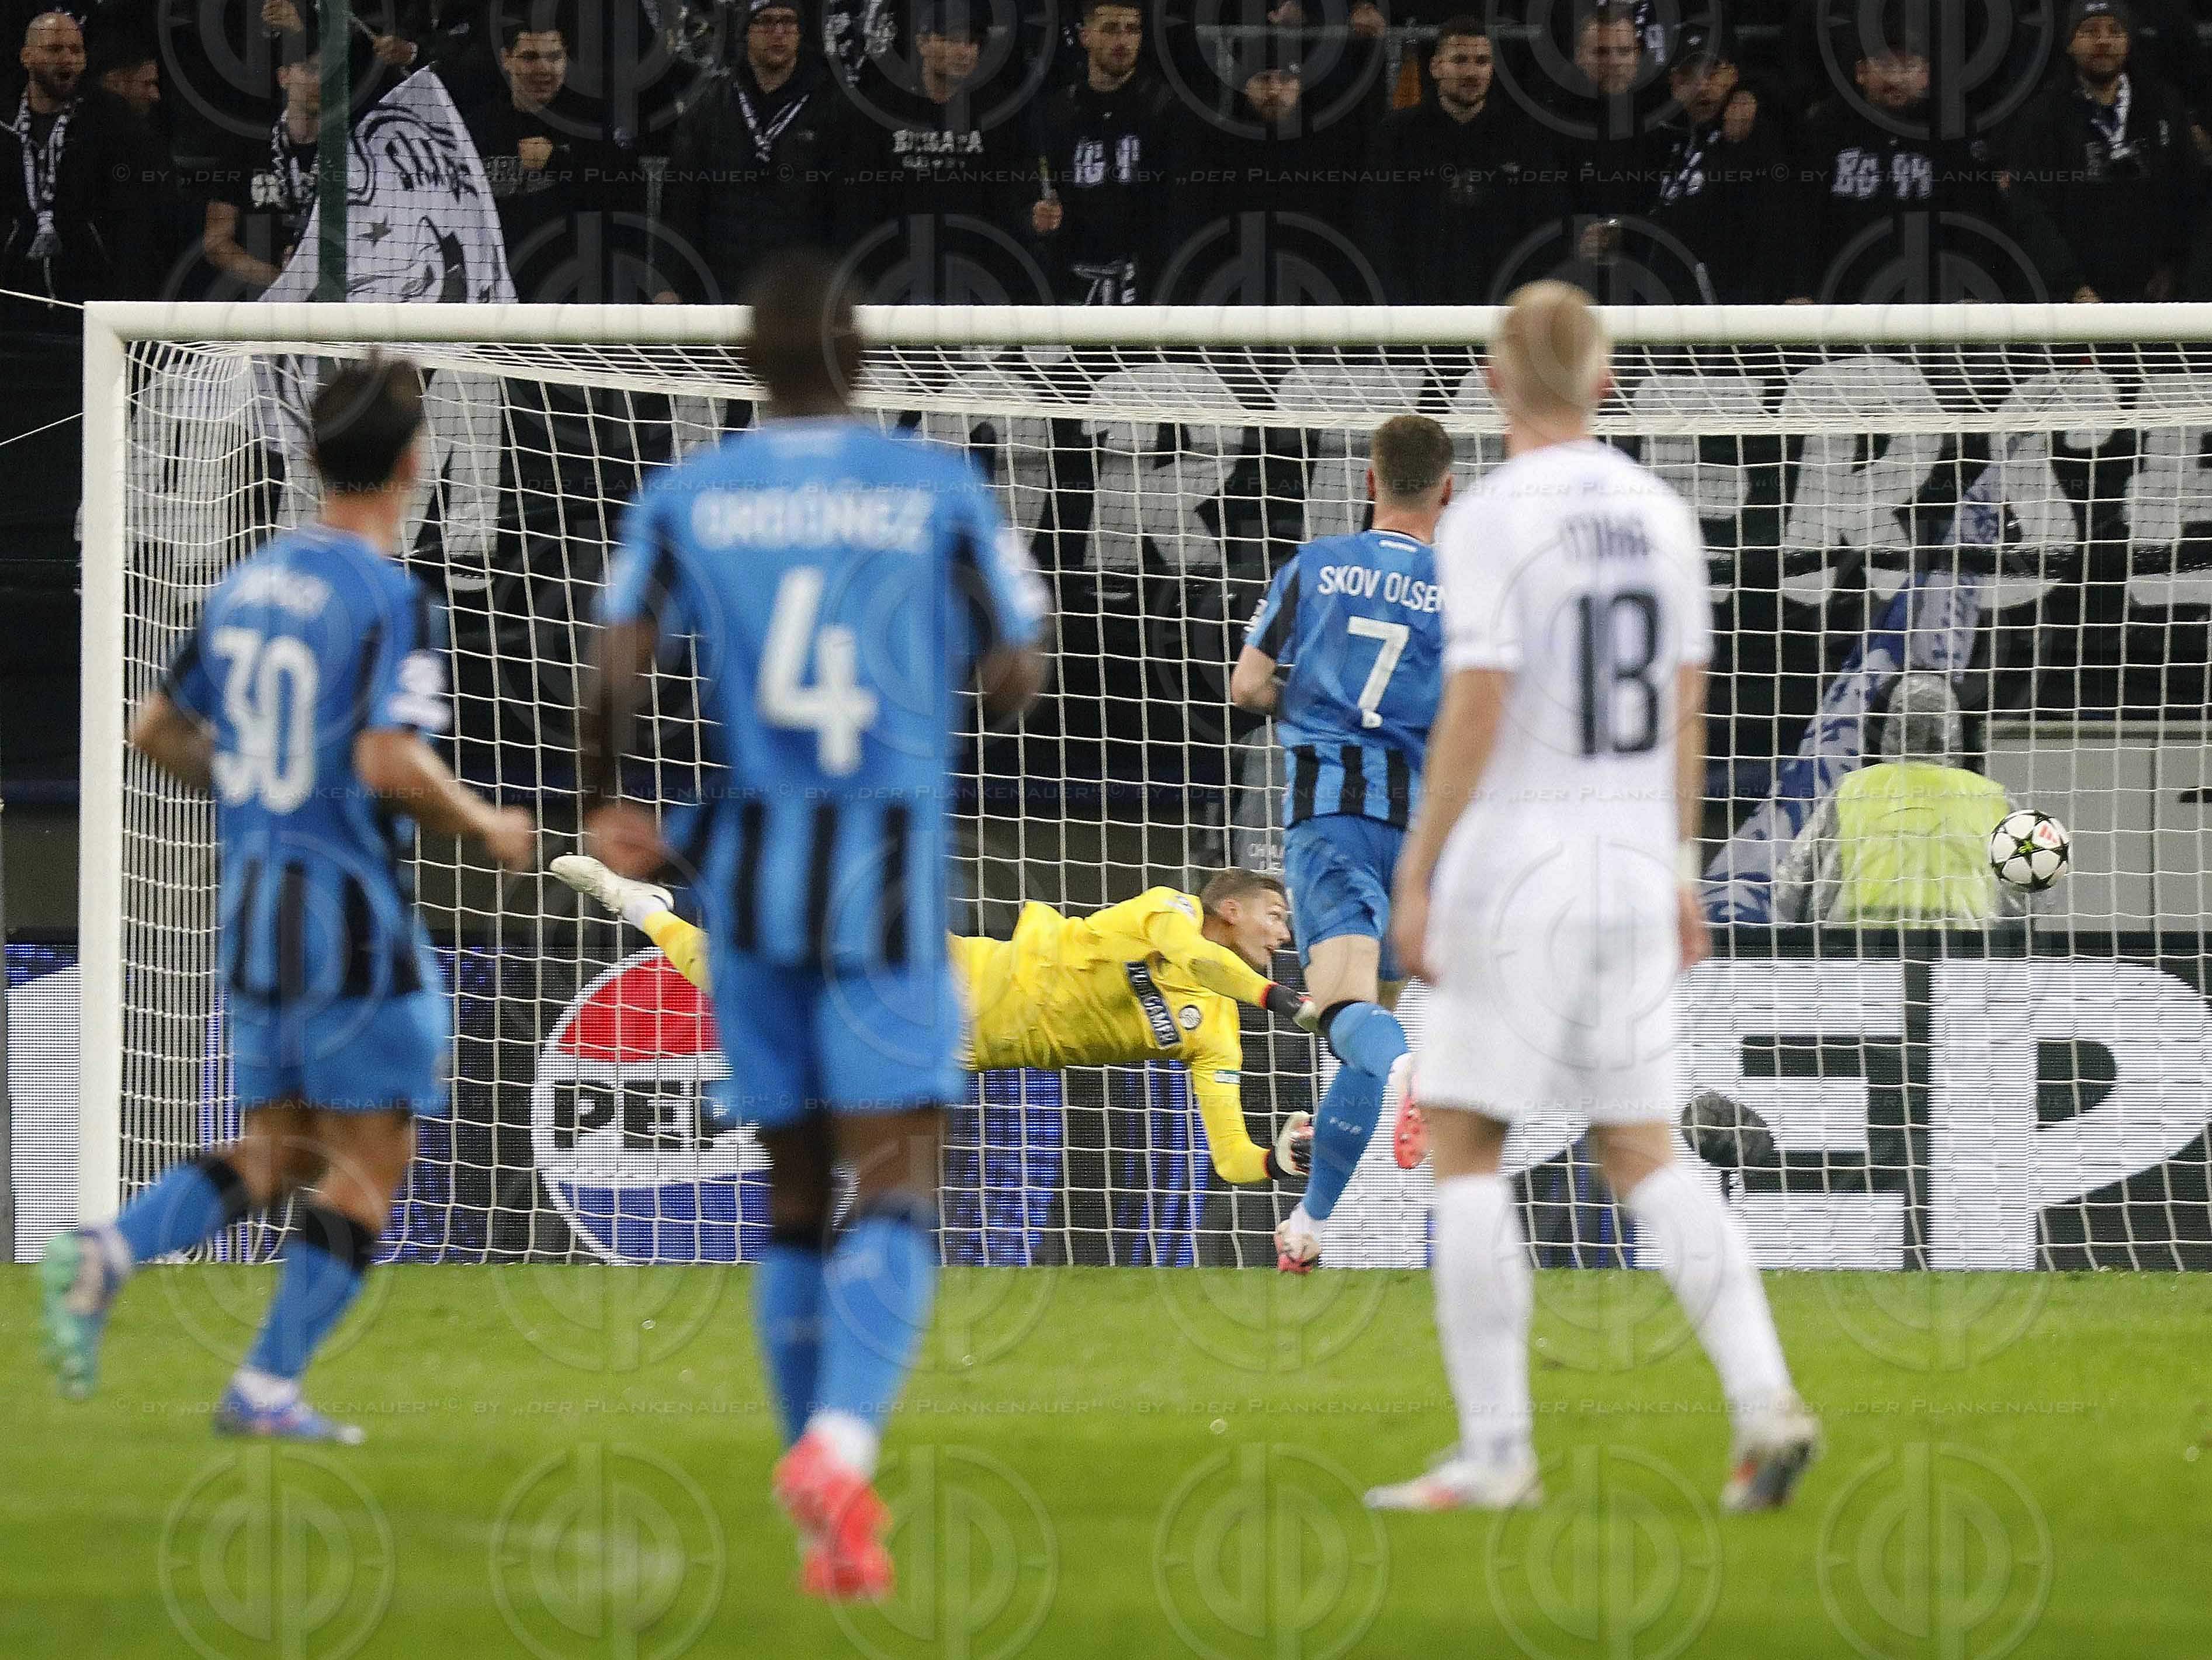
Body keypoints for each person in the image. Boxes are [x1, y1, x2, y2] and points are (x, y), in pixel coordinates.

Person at [578, 251, 1048, 1601]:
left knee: (789, 1184)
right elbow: (1018, 668)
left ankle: (815, 1498)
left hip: (755, 869)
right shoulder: (933, 487)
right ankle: (839, 1448)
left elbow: (611, 656)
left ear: (747, 365)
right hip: (885, 873)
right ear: (860, 360)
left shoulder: (691, 493)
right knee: (897, 1171)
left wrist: (605, 797)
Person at [1374, 282, 1818, 1513]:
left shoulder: (1492, 519)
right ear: (1609, 378)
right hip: (1631, 867)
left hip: (1520, 861)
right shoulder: (1661, 514)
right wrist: (1680, 871)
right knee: (1645, 1147)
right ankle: (1764, 1393)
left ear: (1494, 379)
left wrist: (1420, 868)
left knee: (1466, 1144)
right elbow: (1688, 700)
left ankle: (1498, 1452)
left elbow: (1475, 705)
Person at [38, 357, 536, 1439]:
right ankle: (266, 1386)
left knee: (280, 1149)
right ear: (414, 464)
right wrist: (491, 824)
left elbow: (153, 728)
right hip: (346, 907)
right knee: (372, 1158)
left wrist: (256, 791)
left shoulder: (248, 584)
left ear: (309, 456)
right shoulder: (386, 595)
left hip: (256, 897)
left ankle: (107, 1250)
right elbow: (389, 758)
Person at [552, 857, 1321, 1187]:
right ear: (1230, 905)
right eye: (1276, 915)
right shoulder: (1170, 911)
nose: (1283, 934)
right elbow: (1202, 961)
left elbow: (1228, 1158)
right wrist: (1280, 999)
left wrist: (1280, 1161)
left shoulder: (1216, 1031)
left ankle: (652, 912)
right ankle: (647, 904)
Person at [1229, 415, 1451, 1273]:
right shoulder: (1462, 582)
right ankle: (1310, 1222)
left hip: (1330, 824)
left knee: (1344, 1015)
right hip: (1419, 834)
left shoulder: (1313, 567)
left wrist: (1310, 699)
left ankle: (1415, 1081)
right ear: (1446, 491)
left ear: (1368, 480)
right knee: (1366, 1023)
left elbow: (1248, 684)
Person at [828, 1, 1042, 301]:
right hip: (895, 290)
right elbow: (859, 209)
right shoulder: (882, 111)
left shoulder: (997, 115)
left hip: (974, 291)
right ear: (923, 44)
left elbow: (1005, 206)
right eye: (952, 40)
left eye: (972, 42)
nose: (964, 51)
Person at [1772, 673, 2024, 927]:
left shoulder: (1852, 791)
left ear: (1884, 729)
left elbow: (1791, 888)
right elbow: (2024, 897)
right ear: (1963, 732)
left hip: (1858, 954)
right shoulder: (1994, 799)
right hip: (1964, 957)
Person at [2005, 0, 2201, 304]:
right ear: (2070, 44)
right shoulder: (2043, 117)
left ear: (2129, 41)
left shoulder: (2163, 107)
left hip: (2155, 299)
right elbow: (2031, 209)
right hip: (2075, 302)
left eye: (2115, 30)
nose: (2103, 41)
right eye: (2089, 31)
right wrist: (2073, 286)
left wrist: (2173, 269)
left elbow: (2188, 192)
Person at [1364, 18, 1563, 305]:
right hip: (1416, 312)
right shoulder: (1396, 136)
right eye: (1460, 60)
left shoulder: (1523, 138)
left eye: (1482, 61)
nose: (1472, 72)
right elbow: (1376, 224)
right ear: (1436, 68)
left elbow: (1544, 225)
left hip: (1502, 311)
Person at [657, 0, 834, 303]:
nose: (778, 33)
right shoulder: (709, 108)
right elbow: (681, 206)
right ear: (745, 31)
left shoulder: (832, 111)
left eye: (788, 22)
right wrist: (669, 284)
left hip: (802, 297)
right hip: (719, 293)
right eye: (766, 21)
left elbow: (849, 211)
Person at [463, 12, 646, 301]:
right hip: (496, 297)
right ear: (506, 59)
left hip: (577, 295)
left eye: (555, 57)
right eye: (530, 57)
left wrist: (557, 163)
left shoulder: (594, 125)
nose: (544, 69)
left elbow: (626, 201)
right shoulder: (475, 130)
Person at [0, 11, 160, 307]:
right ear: (27, 56)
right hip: (11, 302)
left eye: (75, 50)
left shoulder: (113, 121)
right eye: (54, 49)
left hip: (92, 303)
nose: (67, 59)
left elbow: (137, 220)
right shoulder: (5, 123)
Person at [1029, 0, 1177, 304]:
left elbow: (1180, 208)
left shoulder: (1164, 110)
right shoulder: (1057, 113)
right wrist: (1037, 216)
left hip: (1147, 290)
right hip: (1070, 289)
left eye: (1132, 30)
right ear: (1085, 36)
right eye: (1110, 29)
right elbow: (1030, 193)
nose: (1122, 41)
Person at [1644, 23, 1790, 301]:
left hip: (1735, 320)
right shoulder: (1665, 142)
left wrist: (1754, 94)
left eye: (1712, 73)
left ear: (1734, 75)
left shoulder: (1752, 134)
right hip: (1671, 314)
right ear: (1674, 85)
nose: (1701, 86)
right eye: (1690, 76)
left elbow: (1775, 222)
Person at [201, 40, 318, 296]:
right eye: (310, 70)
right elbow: (216, 244)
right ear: (283, 77)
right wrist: (283, 282)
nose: (318, 81)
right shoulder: (245, 146)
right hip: (260, 308)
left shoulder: (352, 153)